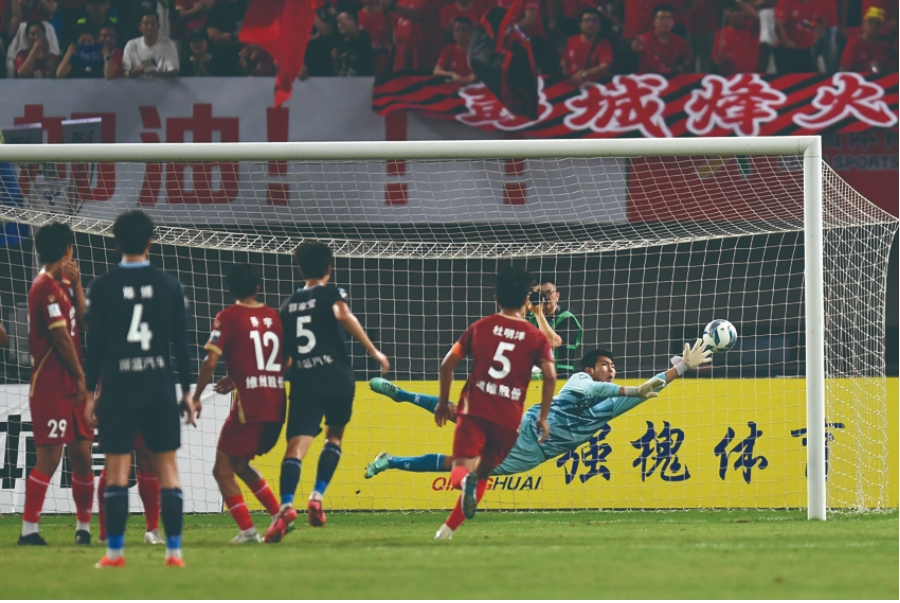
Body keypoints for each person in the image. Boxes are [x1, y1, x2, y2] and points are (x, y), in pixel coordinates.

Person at [365, 343, 710, 489]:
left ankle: (390, 461)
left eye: (614, 367)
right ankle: (401, 394)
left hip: (532, 454)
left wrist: (682, 366)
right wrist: (633, 390)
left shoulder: (611, 407)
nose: (612, 370)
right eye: (606, 365)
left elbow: (652, 385)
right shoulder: (581, 380)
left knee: (459, 465)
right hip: (524, 425)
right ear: (591, 368)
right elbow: (602, 390)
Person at [83, 210, 196, 568]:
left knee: (117, 471)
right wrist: (187, 392)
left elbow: (94, 349)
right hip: (158, 387)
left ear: (116, 243)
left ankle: (115, 554)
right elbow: (182, 347)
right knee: (168, 469)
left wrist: (89, 395)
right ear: (150, 241)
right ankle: (174, 553)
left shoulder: (102, 287)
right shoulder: (170, 286)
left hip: (118, 389)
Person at [264, 241, 390, 543]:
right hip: (336, 377)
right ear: (329, 269)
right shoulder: (332, 293)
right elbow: (342, 313)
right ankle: (317, 497)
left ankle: (286, 506)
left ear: (300, 269)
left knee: (296, 446)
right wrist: (373, 350)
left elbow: (286, 357)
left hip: (304, 380)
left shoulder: (288, 305)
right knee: (334, 436)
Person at [432, 265, 556, 540]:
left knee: (461, 470)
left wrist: (442, 403)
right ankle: (446, 531)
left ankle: (464, 484)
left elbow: (446, 366)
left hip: (475, 412)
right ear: (527, 301)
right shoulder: (536, 337)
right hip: (509, 422)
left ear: (497, 298)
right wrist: (543, 416)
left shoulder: (479, 328)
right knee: (483, 475)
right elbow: (550, 375)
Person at [193, 264, 286, 544]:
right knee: (240, 464)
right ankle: (279, 514)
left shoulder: (228, 317)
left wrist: (195, 397)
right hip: (277, 402)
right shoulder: (275, 317)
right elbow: (286, 360)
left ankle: (248, 531)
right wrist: (236, 378)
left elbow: (210, 362)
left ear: (229, 288)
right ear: (258, 287)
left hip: (250, 406)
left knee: (221, 468)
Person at [19, 222, 94, 546]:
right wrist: (80, 376)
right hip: (52, 385)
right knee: (50, 457)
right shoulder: (44, 287)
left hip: (70, 387)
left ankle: (83, 529)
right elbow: (61, 337)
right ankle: (29, 531)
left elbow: (84, 321)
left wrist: (77, 285)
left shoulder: (63, 285)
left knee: (83, 456)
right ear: (67, 249)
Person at [527, 278, 582, 376]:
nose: (544, 297)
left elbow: (553, 342)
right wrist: (523, 308)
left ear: (557, 295)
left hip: (559, 378)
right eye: (539, 294)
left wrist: (538, 314)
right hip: (533, 378)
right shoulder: (529, 318)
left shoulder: (567, 318)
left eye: (548, 292)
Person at [631, 4, 694, 75]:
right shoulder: (644, 39)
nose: (665, 21)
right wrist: (635, 46)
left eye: (668, 18)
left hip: (669, 78)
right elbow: (635, 49)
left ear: (673, 21)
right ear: (654, 21)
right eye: (661, 18)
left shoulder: (679, 40)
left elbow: (690, 55)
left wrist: (683, 67)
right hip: (648, 77)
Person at [561, 8, 613, 85]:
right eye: (586, 20)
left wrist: (583, 74)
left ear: (600, 25)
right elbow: (564, 62)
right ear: (580, 24)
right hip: (572, 82)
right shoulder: (571, 40)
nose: (591, 24)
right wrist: (566, 78)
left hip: (593, 84)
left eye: (595, 21)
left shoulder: (604, 44)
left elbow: (604, 67)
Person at [122, 10, 179, 77]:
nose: (149, 27)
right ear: (140, 27)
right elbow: (124, 72)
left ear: (158, 26)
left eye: (153, 23)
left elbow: (174, 72)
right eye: (146, 24)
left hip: (162, 83)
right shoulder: (131, 45)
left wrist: (157, 74)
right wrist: (132, 73)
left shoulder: (169, 44)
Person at [712, 0, 760, 75]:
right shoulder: (720, 33)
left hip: (748, 76)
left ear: (744, 12)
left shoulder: (751, 27)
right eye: (732, 10)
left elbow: (755, 16)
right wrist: (717, 61)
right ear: (725, 13)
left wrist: (738, 1)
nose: (735, 14)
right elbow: (714, 58)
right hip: (727, 76)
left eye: (738, 10)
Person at [773, 0, 823, 73]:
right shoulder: (786, 2)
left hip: (805, 50)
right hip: (787, 51)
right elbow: (778, 25)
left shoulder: (814, 3)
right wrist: (786, 41)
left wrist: (814, 37)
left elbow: (817, 23)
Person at [840, 7, 891, 72]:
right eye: (870, 22)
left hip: (878, 77)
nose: (874, 26)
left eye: (878, 23)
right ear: (863, 23)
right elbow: (843, 69)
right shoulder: (853, 44)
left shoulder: (882, 46)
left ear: (881, 26)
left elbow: (887, 69)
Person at [205, 0, 246, 76]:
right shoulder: (217, 8)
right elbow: (214, 36)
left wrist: (231, 36)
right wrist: (238, 35)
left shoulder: (247, 5)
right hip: (222, 58)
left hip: (244, 57)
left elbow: (254, 33)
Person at [433, 16, 475, 84]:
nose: (461, 33)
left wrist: (471, 77)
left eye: (465, 29)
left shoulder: (478, 50)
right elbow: (436, 71)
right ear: (453, 32)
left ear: (472, 31)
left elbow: (485, 71)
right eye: (457, 30)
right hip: (455, 84)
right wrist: (452, 74)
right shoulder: (449, 49)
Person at [332, 11, 374, 76]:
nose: (342, 23)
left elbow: (351, 29)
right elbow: (336, 73)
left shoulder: (363, 36)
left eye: (347, 18)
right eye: (339, 22)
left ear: (356, 23)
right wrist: (335, 60)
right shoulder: (338, 41)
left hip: (362, 81)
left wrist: (333, 13)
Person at [357, 0, 393, 76]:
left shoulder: (388, 15)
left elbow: (395, 45)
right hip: (363, 70)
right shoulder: (355, 17)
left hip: (386, 70)